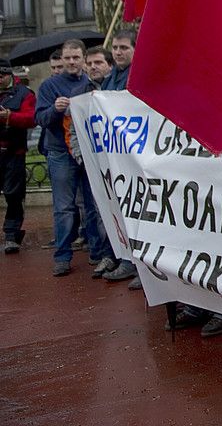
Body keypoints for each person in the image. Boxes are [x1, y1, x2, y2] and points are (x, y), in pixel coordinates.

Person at [35, 39, 116, 278]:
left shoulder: (89, 83)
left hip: (90, 153)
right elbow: (39, 119)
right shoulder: (50, 86)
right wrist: (54, 110)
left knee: (94, 205)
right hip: (61, 152)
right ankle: (62, 256)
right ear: (61, 59)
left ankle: (96, 250)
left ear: (82, 59)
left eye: (76, 58)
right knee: (64, 207)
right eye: (67, 58)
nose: (71, 62)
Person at [98, 27, 140, 286]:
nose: (118, 52)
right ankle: (127, 260)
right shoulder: (110, 77)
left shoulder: (139, 76)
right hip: (116, 155)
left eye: (124, 47)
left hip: (134, 155)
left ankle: (140, 266)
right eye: (115, 48)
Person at [0, 58, 35, 254]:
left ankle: (12, 234)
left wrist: (9, 117)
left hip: (14, 152)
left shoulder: (24, 93)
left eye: (2, 76)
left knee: (13, 195)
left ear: (10, 75)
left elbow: (32, 118)